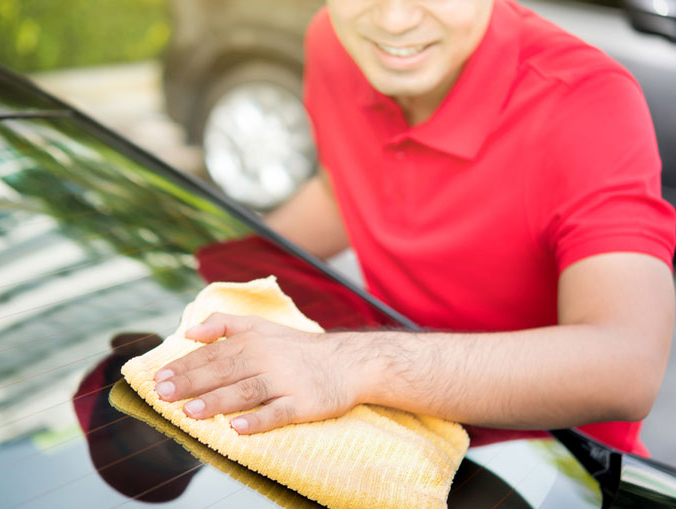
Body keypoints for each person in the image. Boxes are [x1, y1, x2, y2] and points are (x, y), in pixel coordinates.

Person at [152, 0, 676, 455]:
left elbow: (625, 359)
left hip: (555, 486)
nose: (394, 21)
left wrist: (352, 362)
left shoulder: (585, 101)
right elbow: (347, 189)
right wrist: (197, 272)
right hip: (395, 439)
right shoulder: (336, 43)